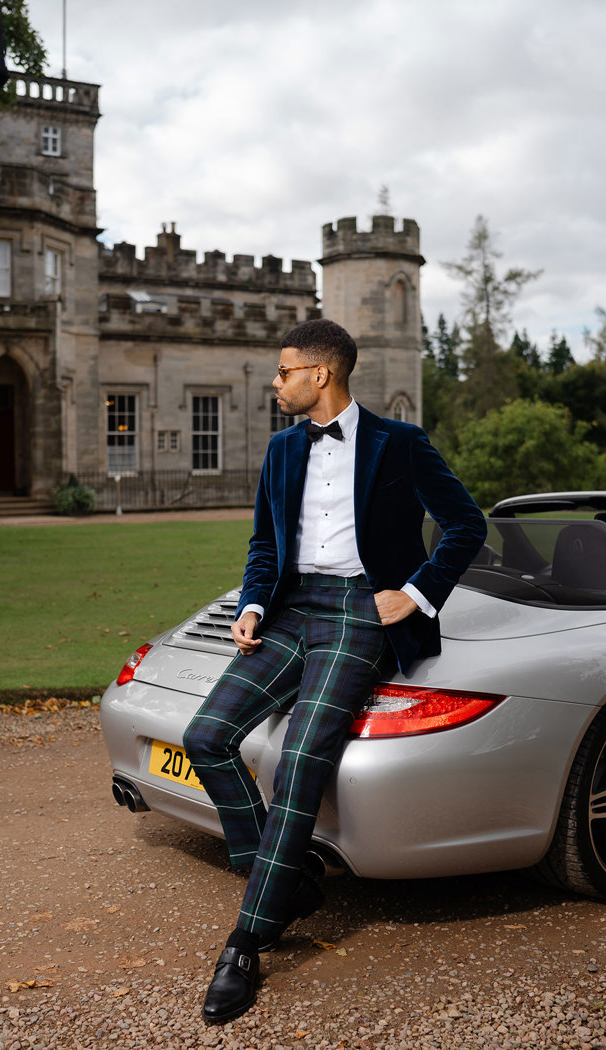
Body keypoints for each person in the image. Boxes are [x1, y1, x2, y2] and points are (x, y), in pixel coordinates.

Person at [183, 318, 486, 1024]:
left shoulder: (400, 444)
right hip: (292, 613)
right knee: (207, 736)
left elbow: (467, 525)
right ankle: (282, 881)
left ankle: (246, 941)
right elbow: (266, 542)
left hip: (361, 612)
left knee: (301, 761)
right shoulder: (283, 449)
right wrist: (255, 603)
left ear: (321, 374)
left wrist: (410, 594)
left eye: (284, 371)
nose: (276, 381)